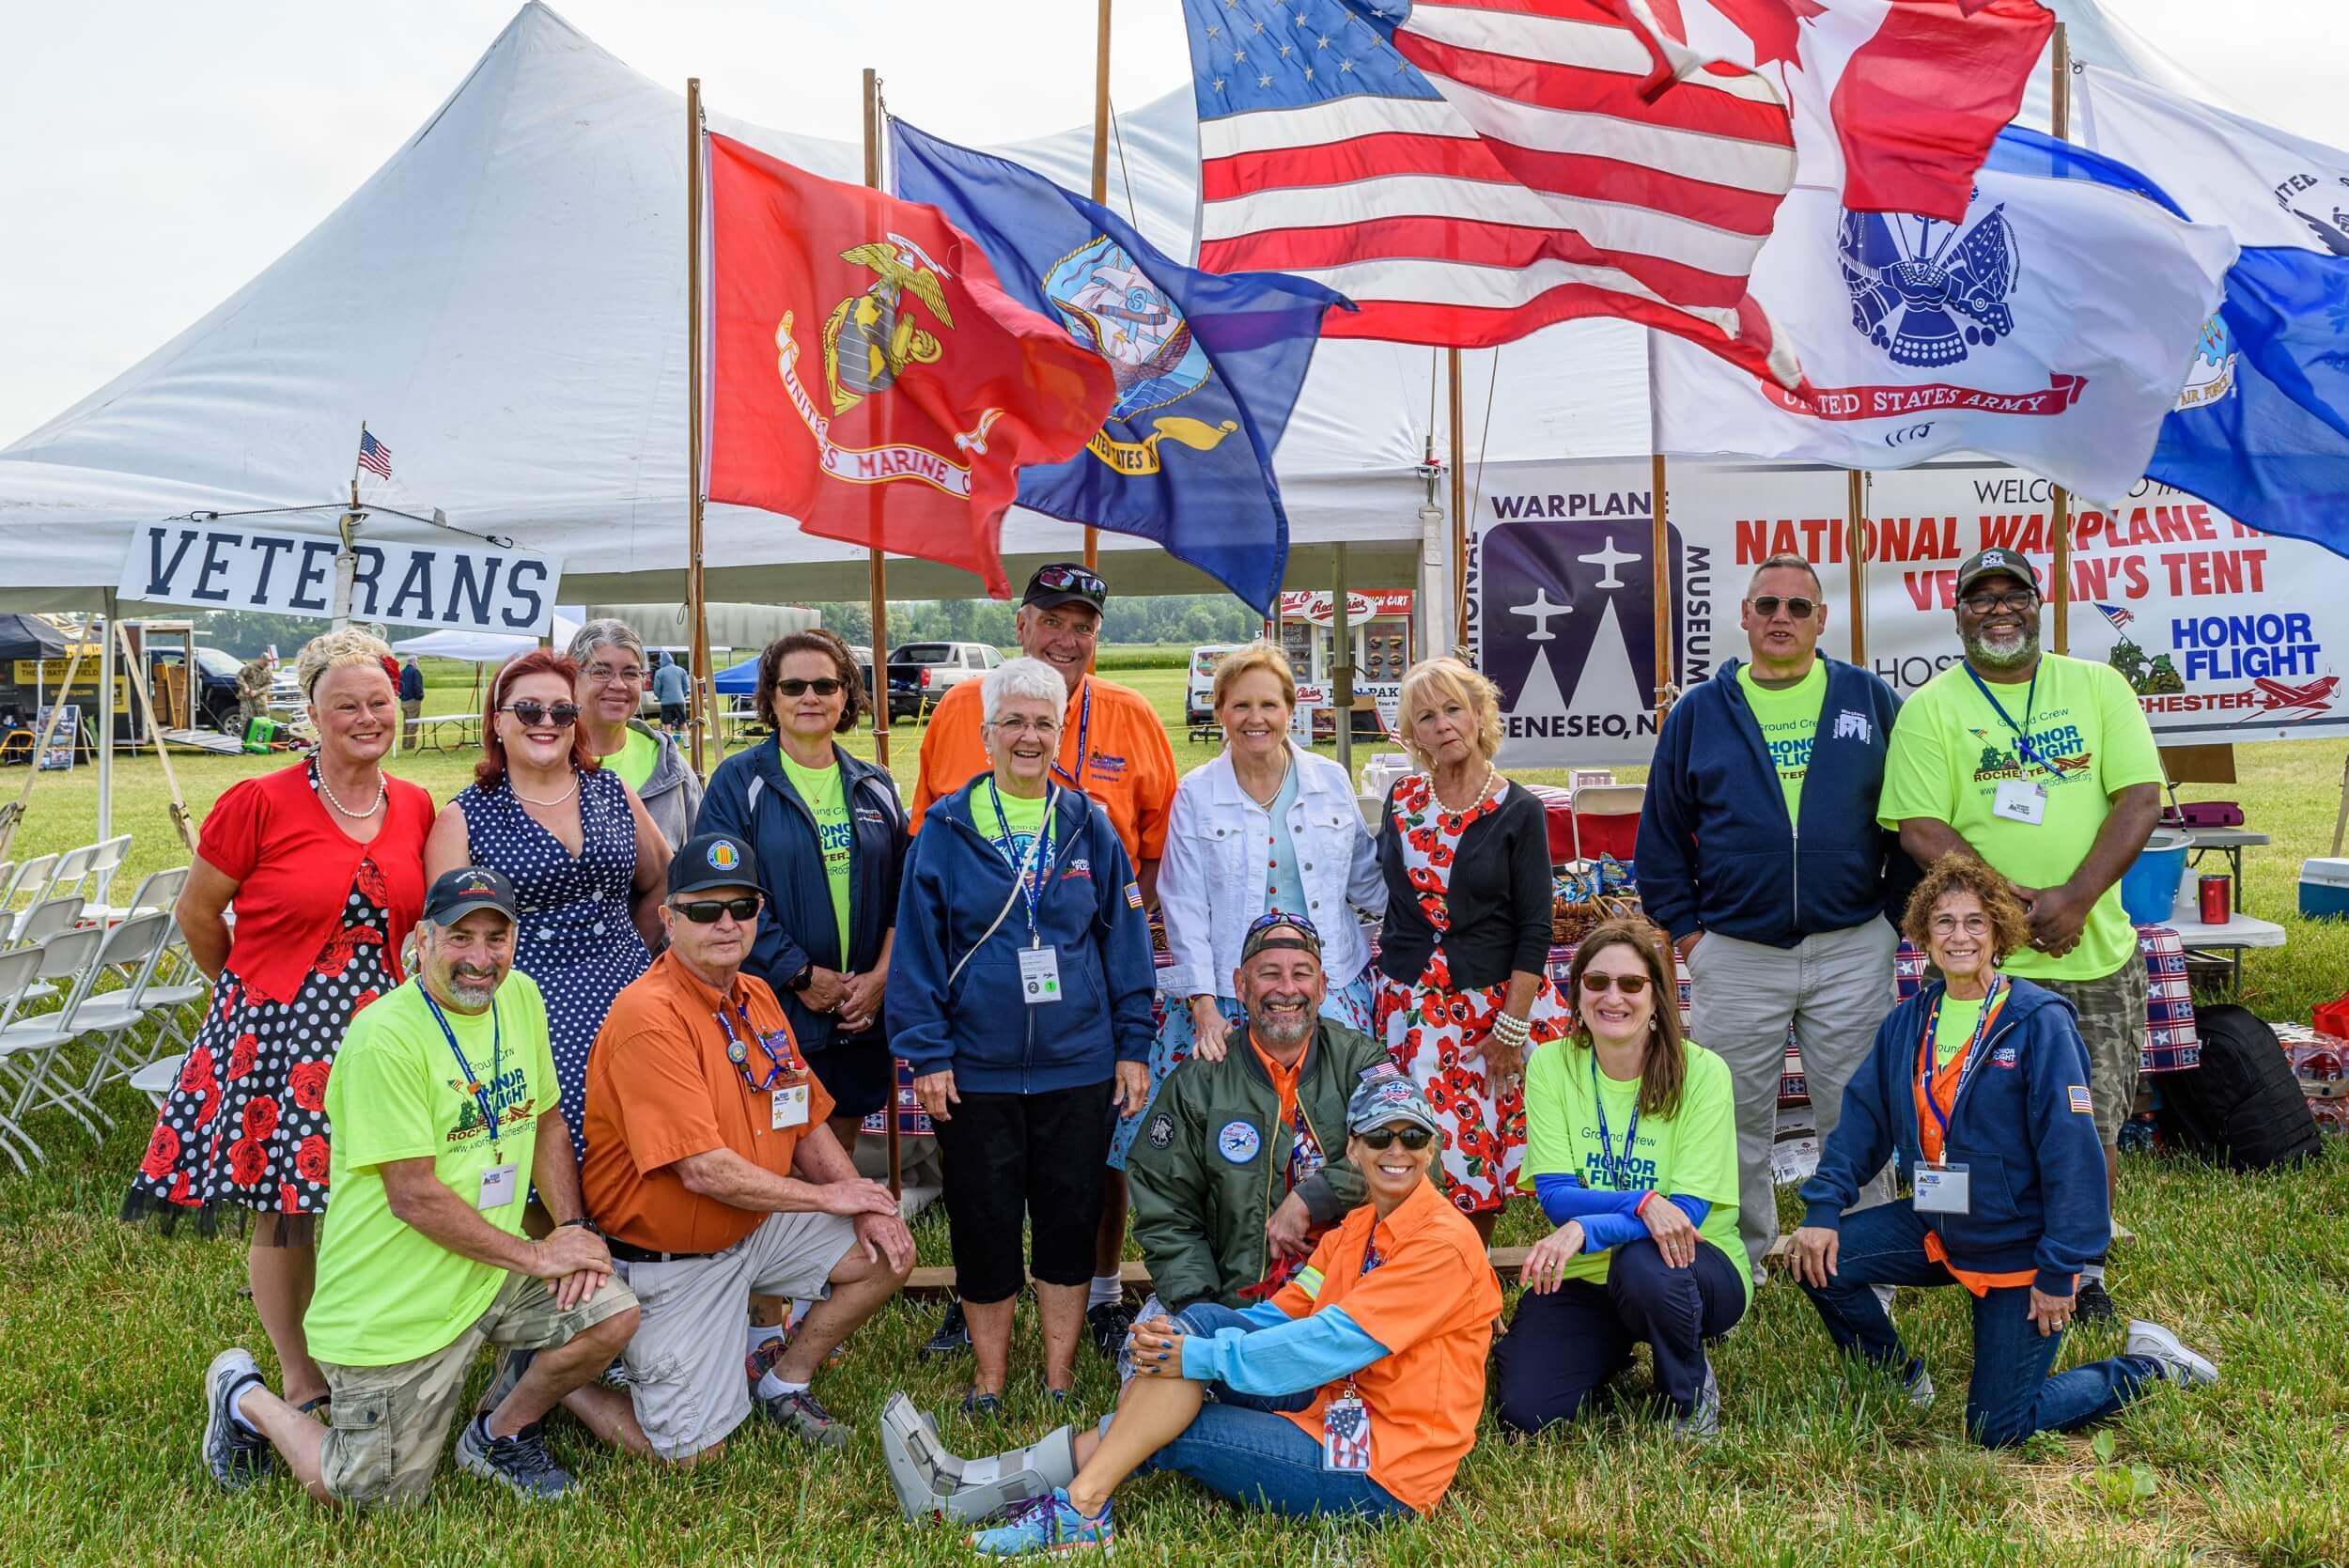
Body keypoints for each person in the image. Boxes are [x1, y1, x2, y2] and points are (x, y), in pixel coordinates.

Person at [879, 1073, 1501, 1551]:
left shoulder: (1442, 1243)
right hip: (1329, 1406)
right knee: (1198, 1320)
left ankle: (1073, 1506)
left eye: (1414, 1136)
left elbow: (1327, 1344)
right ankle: (981, 1486)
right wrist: (1184, 1339)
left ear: (1433, 1147)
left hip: (1380, 1469)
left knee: (1178, 1421)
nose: (1399, 1150)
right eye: (1380, 1136)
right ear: (1353, 1149)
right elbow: (1281, 1317)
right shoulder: (1356, 1228)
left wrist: (1199, 1358)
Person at [200, 867, 646, 1505]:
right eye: (460, 937)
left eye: (497, 937)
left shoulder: (520, 996)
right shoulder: (385, 1037)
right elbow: (412, 1194)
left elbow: (546, 1116)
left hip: (490, 1269)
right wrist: (539, 1255)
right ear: (423, 940)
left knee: (610, 1314)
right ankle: (244, 1394)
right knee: (369, 1495)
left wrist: (571, 1226)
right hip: (396, 1306)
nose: (480, 958)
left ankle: (499, 1432)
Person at [1790, 855, 2217, 1446]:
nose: (1958, 936)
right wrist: (1821, 1211)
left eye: (1974, 922)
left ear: (1999, 932)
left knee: (1997, 1429)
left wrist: (2061, 1267)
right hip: (1941, 1221)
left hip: (2018, 1245)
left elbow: (2071, 1153)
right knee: (1817, 1260)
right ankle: (1900, 1378)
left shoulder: (2038, 1021)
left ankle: (2149, 1365)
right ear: (1923, 934)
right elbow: (1862, 1125)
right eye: (1943, 922)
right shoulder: (1907, 1022)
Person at [127, 629, 433, 1420]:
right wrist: (252, 1000)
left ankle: (379, 1346)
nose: (367, 717)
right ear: (314, 714)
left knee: (389, 1190)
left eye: (378, 703)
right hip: (279, 1030)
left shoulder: (418, 805)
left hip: (386, 1033)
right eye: (346, 706)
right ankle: (299, 1374)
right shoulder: (258, 800)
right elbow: (198, 913)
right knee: (288, 1205)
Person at [1877, 547, 2164, 1321]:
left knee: (2090, 1117)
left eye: (2014, 595)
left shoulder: (2098, 687)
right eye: (1981, 598)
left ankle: (2083, 1268)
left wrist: (2076, 896)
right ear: (1959, 612)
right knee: (1976, 1120)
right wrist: (2012, 908)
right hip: (1980, 961)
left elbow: (2140, 797)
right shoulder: (1931, 707)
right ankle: (1985, 1249)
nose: (1998, 608)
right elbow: (1917, 826)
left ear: (2040, 604)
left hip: (2094, 953)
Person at [908, 563, 1178, 1356]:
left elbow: (1155, 850)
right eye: (1051, 621)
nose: (1067, 637)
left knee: (1089, 1169)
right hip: (980, 1001)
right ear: (1019, 626)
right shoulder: (960, 708)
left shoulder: (1132, 716)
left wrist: (1110, 940)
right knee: (983, 1185)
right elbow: (929, 840)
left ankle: (1097, 1292)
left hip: (1082, 993)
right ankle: (974, 1297)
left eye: (1083, 625)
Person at [580, 831, 915, 1461]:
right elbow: (705, 1171)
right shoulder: (647, 1015)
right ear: (668, 916)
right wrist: (829, 1197)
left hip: (752, 1228)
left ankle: (784, 1379)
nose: (726, 923)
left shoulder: (756, 994)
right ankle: (564, 1380)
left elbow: (806, 1118)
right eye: (705, 909)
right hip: (676, 1256)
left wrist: (863, 1202)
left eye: (742, 907)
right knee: (685, 1456)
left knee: (886, 1249)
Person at [1637, 551, 1909, 1280]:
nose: (1781, 618)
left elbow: (1913, 818)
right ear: (1744, 617)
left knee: (1856, 1114)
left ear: (1823, 619)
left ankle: (1865, 1259)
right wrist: (1693, 936)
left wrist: (1890, 920)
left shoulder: (1868, 699)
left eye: (1797, 606)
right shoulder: (1700, 712)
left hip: (1852, 944)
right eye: (1767, 605)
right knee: (1732, 1121)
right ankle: (1740, 1263)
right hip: (1737, 950)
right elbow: (1660, 837)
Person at [1497, 920, 1746, 1439]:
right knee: (1525, 1411)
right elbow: (1557, 1196)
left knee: (1643, 1261)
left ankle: (1689, 1391)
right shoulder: (1549, 1065)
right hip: (1589, 1276)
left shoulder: (1703, 1072)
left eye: (1631, 984)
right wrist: (1640, 1202)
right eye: (1596, 982)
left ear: (1657, 997)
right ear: (1577, 993)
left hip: (1693, 1263)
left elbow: (1687, 1216)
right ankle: (1616, 1349)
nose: (1613, 997)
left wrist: (1590, 1230)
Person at [1143, 642, 1383, 1168]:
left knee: (1340, 1135)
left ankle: (1333, 1245)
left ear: (1290, 710)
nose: (1256, 719)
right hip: (1231, 995)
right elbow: (1181, 902)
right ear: (1220, 711)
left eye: (1269, 705)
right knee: (1227, 1146)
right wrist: (1203, 1005)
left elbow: (1367, 879)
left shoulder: (1330, 780)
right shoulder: (1197, 792)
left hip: (1329, 983)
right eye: (1241, 706)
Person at [426, 649, 668, 1158]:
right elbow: (447, 941)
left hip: (634, 1000)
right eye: (528, 710)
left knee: (644, 1146)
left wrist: (634, 947)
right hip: (528, 1012)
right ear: (497, 721)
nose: (546, 722)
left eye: (561, 711)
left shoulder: (610, 790)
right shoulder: (466, 815)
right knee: (550, 1156)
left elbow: (663, 877)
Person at [1372, 656, 1572, 1242]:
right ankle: (1411, 1278)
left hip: (1487, 1014)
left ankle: (1469, 1290)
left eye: (1453, 708)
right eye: (1426, 717)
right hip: (1410, 1009)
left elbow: (1536, 927)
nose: (1442, 725)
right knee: (1407, 1149)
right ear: (1413, 735)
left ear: (1481, 713)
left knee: (1472, 1160)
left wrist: (1510, 1029)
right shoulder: (1403, 799)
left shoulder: (1519, 809)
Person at [696, 629, 908, 1157]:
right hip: (776, 1006)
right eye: (792, 687)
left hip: (861, 1009)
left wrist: (881, 976)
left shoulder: (874, 783)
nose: (809, 697)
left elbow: (904, 891)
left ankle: (836, 1238)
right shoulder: (738, 781)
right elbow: (726, 894)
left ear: (846, 696)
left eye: (824, 685)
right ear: (770, 698)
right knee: (778, 1149)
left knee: (842, 1134)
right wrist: (801, 975)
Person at [1127, 914, 1392, 1317]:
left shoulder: (1358, 1061)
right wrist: (1199, 1305)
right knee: (1155, 1365)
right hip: (1230, 1299)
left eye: (1301, 974)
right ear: (1240, 985)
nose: (1287, 989)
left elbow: (1413, 1149)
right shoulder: (1199, 1081)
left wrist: (1311, 1199)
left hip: (1350, 1300)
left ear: (1321, 987)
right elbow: (1166, 1212)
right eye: (1269, 973)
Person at [569, 617, 704, 850]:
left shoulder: (671, 765)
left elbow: (700, 857)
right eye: (601, 672)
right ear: (572, 677)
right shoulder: (547, 762)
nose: (619, 685)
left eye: (631, 673)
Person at [234, 648, 276, 734]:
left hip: (260, 699)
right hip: (247, 698)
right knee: (246, 719)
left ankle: (262, 740)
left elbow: (269, 684)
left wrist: (257, 692)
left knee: (264, 720)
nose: (265, 665)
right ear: (260, 660)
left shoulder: (268, 670)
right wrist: (245, 687)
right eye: (264, 663)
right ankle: (245, 741)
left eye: (267, 664)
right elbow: (239, 677)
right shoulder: (249, 667)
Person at [652, 651, 691, 735]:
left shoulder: (660, 672)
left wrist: (661, 697)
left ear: (662, 661)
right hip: (680, 701)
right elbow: (686, 685)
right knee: (683, 722)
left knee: (667, 724)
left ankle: (669, 744)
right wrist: (682, 695)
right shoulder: (682, 670)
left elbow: (656, 688)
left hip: (666, 702)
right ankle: (687, 745)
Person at [397, 656, 425, 747]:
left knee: (406, 724)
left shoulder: (402, 672)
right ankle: (410, 745)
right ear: (414, 662)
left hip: (403, 701)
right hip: (413, 701)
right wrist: (420, 697)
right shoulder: (415, 672)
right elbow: (417, 686)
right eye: (417, 662)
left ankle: (404, 743)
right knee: (413, 724)